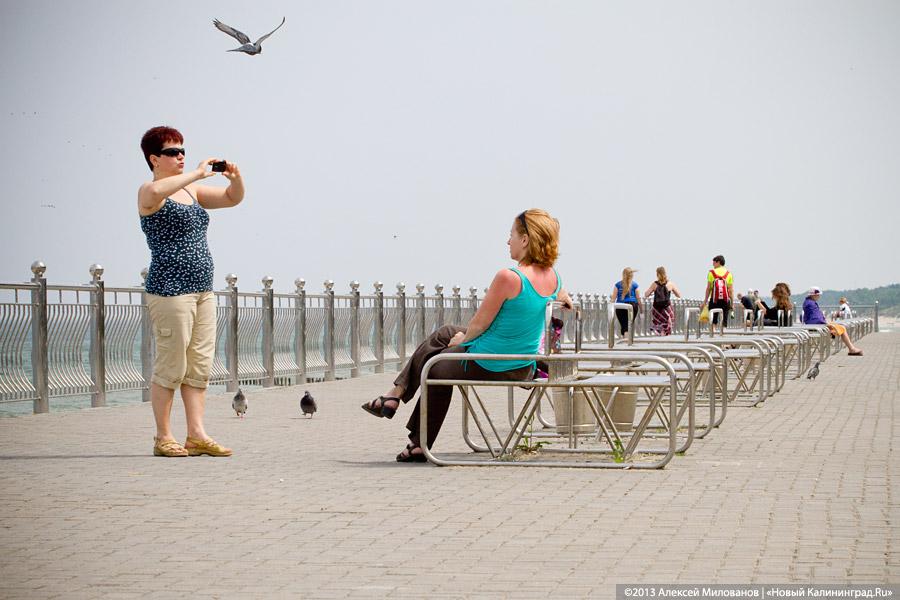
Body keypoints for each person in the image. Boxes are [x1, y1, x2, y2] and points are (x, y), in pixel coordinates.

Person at [361, 209, 573, 462]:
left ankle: (416, 440)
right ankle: (394, 395)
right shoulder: (555, 277)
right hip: (522, 362)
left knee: (435, 366)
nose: (508, 241)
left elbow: (480, 323)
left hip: (493, 363)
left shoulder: (509, 277)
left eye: (512, 235)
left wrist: (464, 341)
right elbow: (564, 299)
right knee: (444, 333)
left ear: (525, 239)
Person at [138, 126, 245, 457]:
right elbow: (157, 192)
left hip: (202, 290)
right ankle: (163, 437)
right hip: (170, 291)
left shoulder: (193, 192)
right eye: (172, 152)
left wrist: (235, 177)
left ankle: (196, 435)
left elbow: (232, 199)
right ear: (155, 158)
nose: (180, 156)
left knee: (199, 364)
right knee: (171, 364)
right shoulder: (149, 190)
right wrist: (198, 172)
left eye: (182, 150)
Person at [803, 286, 863, 356]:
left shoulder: (809, 302)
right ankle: (851, 349)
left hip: (816, 325)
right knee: (842, 328)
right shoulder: (811, 304)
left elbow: (814, 317)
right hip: (817, 326)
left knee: (841, 328)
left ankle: (851, 348)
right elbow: (815, 318)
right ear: (813, 295)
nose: (819, 296)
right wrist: (825, 323)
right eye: (818, 295)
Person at [643, 266, 682, 336]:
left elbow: (646, 294)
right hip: (667, 307)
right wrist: (672, 291)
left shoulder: (654, 284)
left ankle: (661, 335)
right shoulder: (670, 284)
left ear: (657, 274)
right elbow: (679, 295)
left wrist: (652, 292)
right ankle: (665, 335)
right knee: (667, 323)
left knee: (659, 324)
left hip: (657, 308)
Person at [703, 255, 733, 327]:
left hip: (714, 300)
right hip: (725, 301)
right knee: (724, 320)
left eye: (714, 263)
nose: (713, 265)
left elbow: (708, 288)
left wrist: (705, 301)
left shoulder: (711, 273)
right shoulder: (728, 274)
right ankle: (722, 334)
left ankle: (712, 334)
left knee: (713, 320)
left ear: (718, 262)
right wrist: (732, 303)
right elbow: (730, 290)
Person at [612, 267, 640, 337]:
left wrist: (610, 309)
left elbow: (613, 298)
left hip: (620, 306)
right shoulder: (635, 285)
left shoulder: (617, 285)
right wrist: (641, 310)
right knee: (629, 324)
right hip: (633, 305)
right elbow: (638, 298)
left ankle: (625, 336)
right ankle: (627, 338)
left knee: (624, 324)